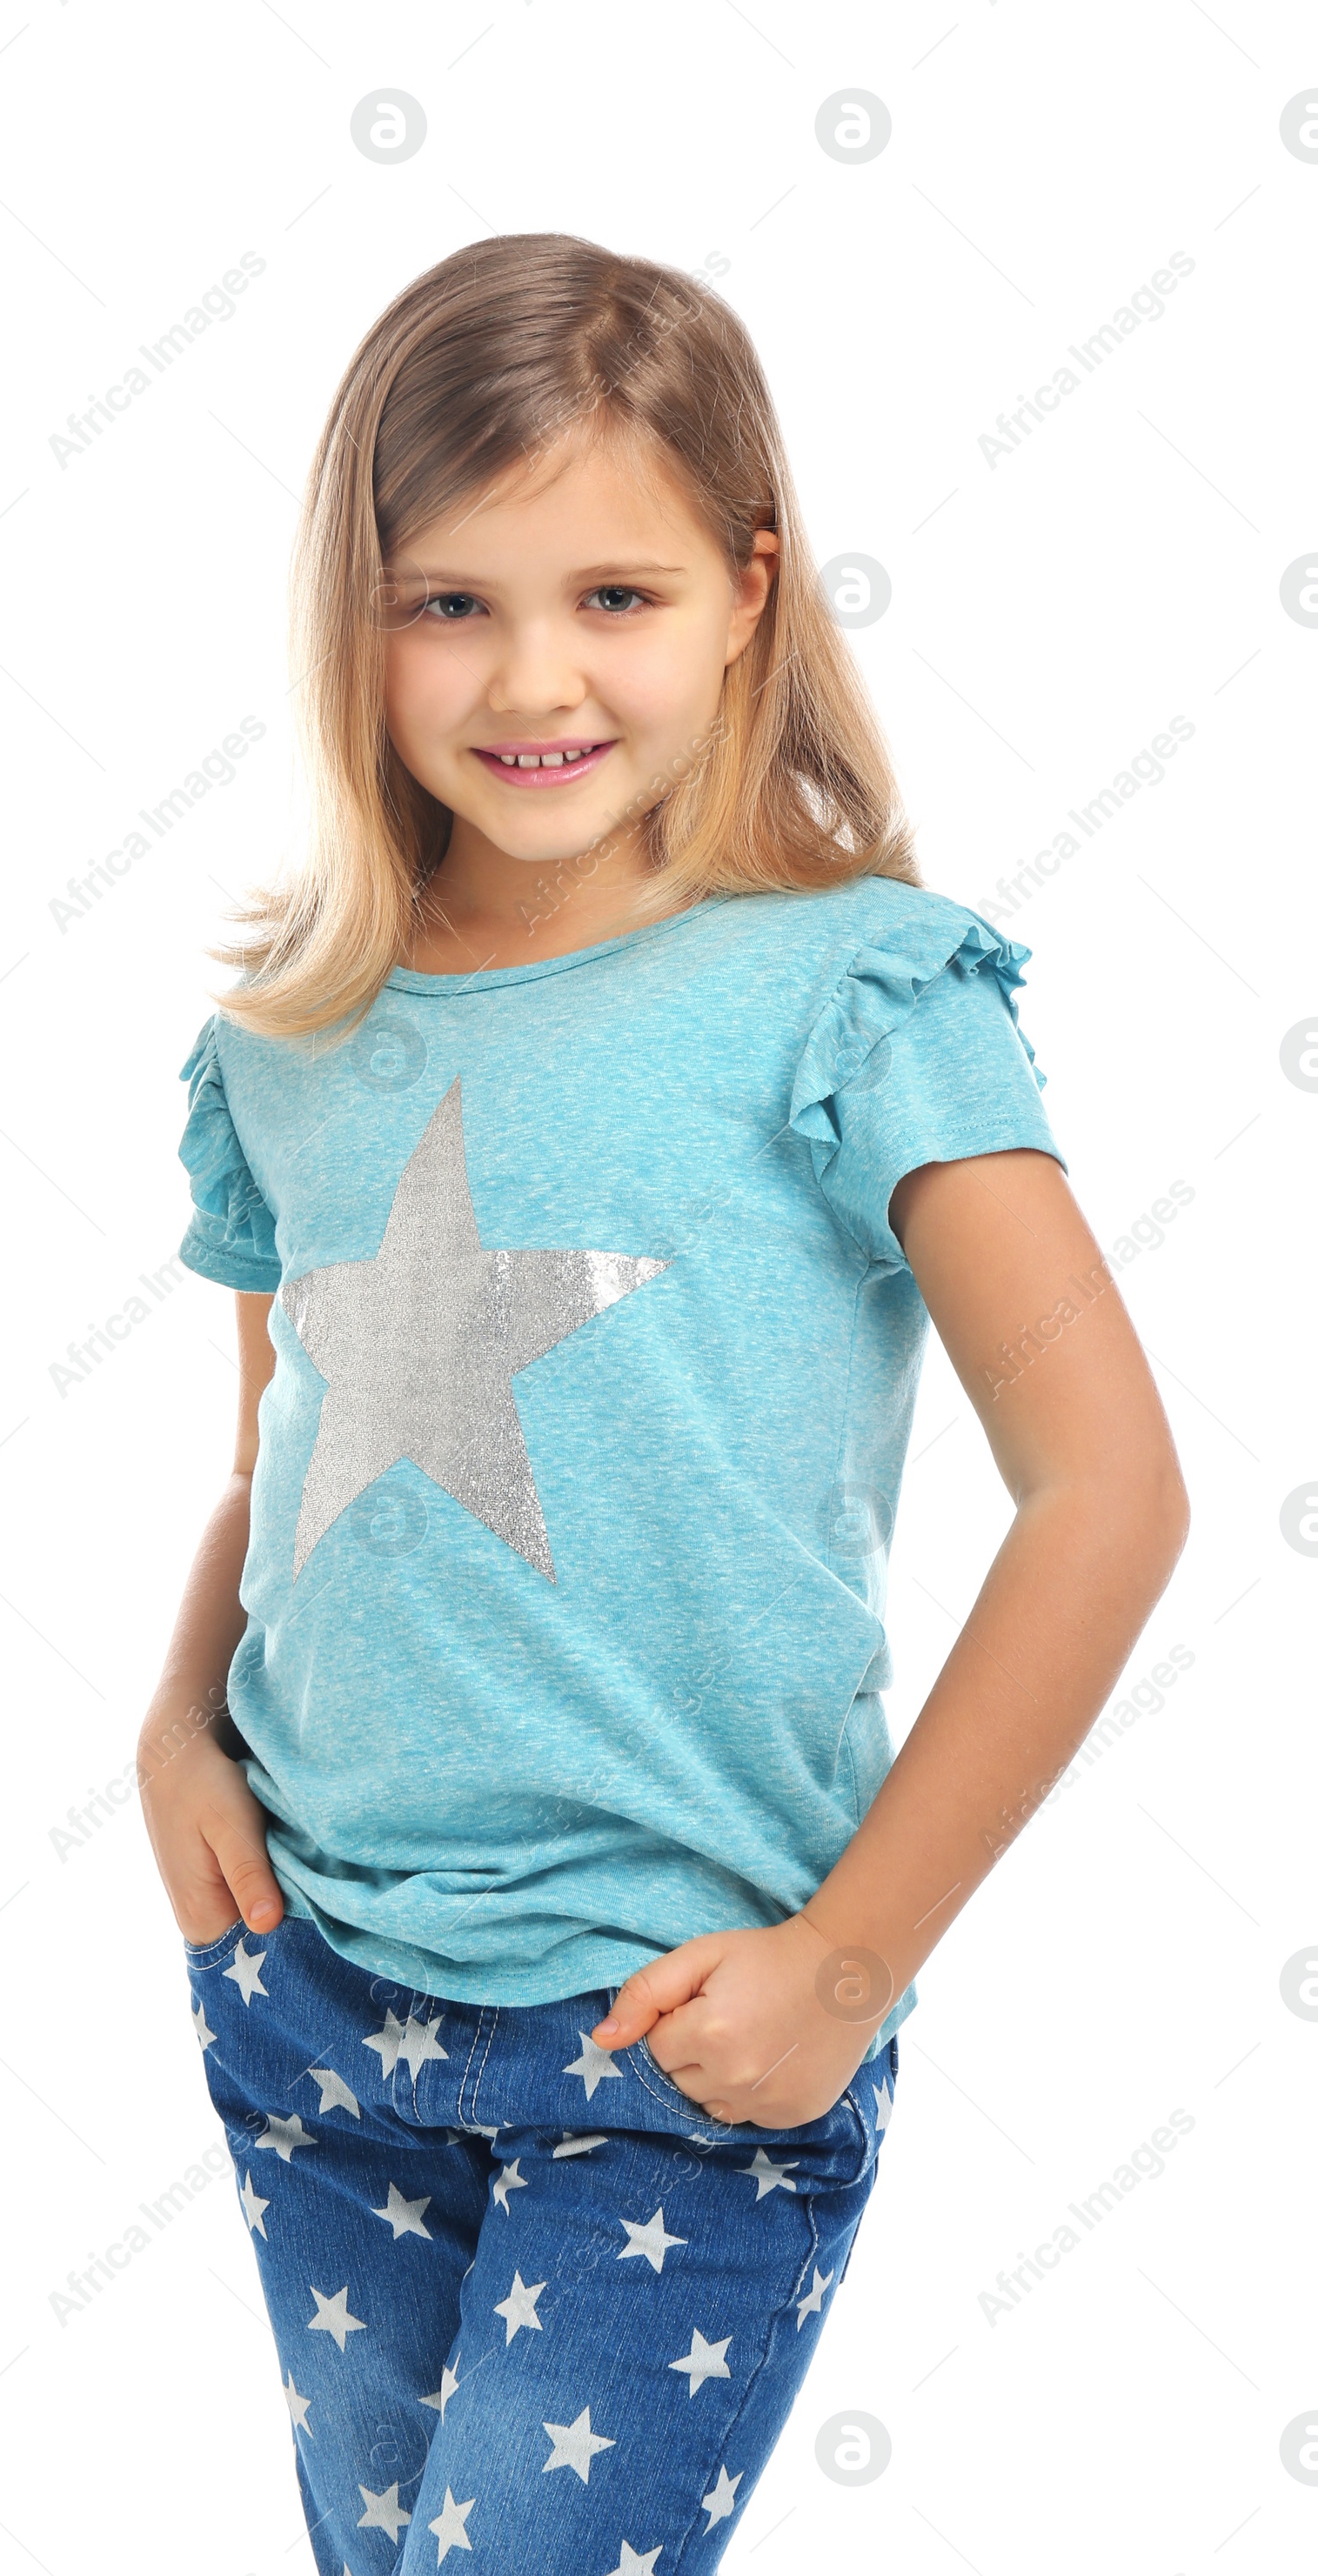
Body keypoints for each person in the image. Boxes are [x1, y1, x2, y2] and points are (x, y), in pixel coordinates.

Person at [139, 234, 1188, 2573]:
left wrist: (847, 1962)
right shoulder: (289, 1042)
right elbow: (278, 1455)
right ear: (355, 617)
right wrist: (171, 1728)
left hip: (676, 2048)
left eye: (611, 593)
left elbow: (1111, 1488)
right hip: (315, 2011)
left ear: (746, 588)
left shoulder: (861, 993)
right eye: (449, 603)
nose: (533, 677)